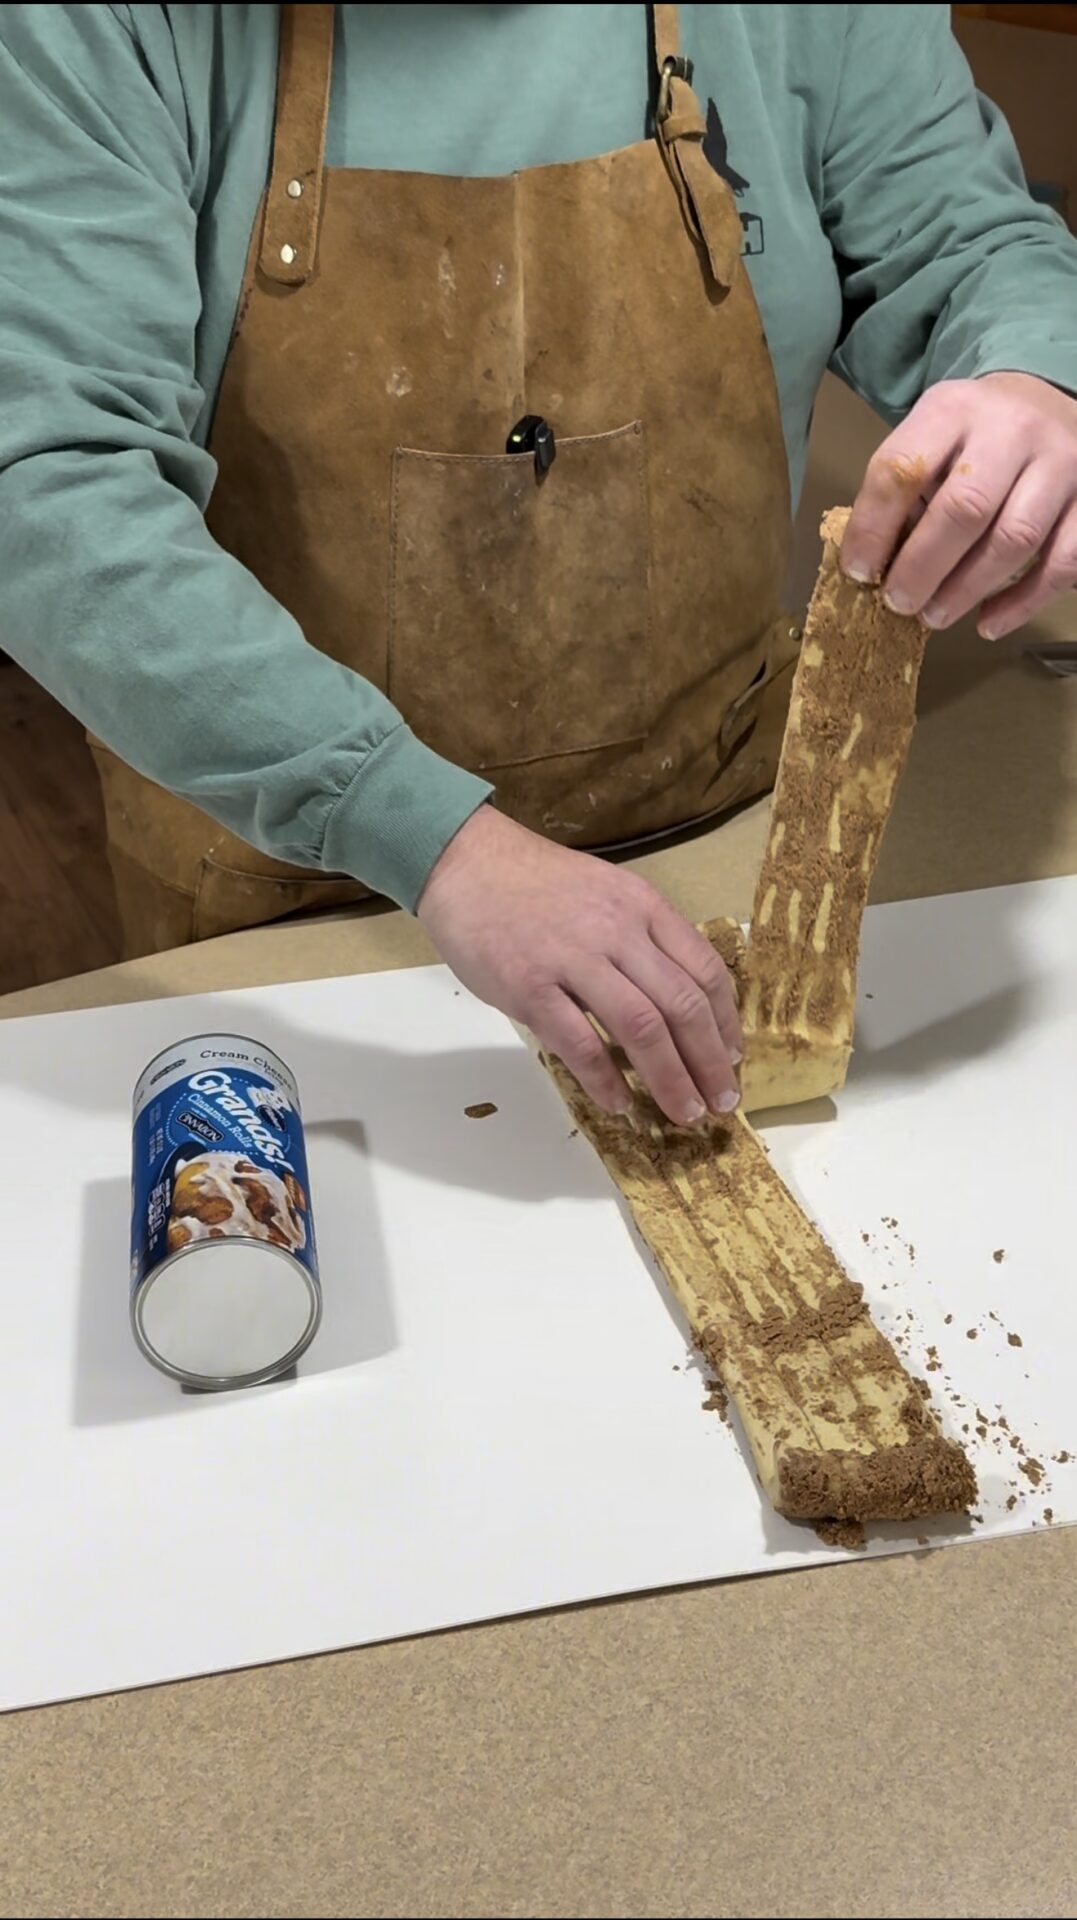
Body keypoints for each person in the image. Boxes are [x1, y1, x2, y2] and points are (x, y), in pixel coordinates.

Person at [1, 3, 1075, 1127]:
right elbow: (46, 483)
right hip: (292, 895)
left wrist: (1037, 383)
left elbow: (972, 245)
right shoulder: (100, 24)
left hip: (713, 846)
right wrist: (431, 837)